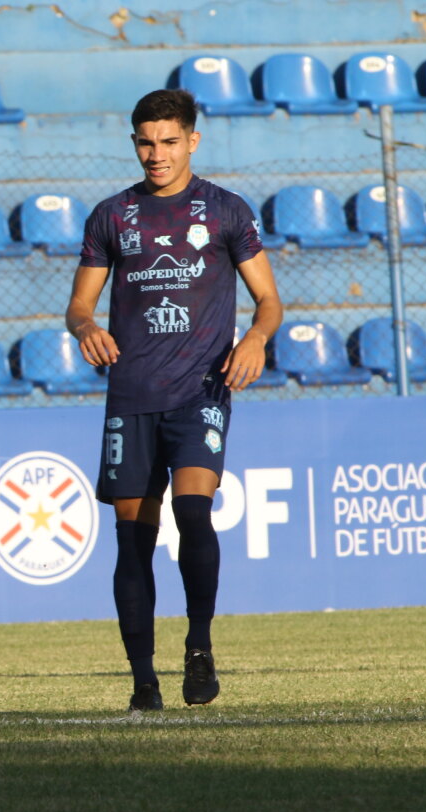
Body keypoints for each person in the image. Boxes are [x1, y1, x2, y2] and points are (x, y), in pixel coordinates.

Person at [64, 89, 283, 712]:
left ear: (192, 140)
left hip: (201, 391)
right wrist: (86, 329)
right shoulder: (112, 215)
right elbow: (79, 306)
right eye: (144, 141)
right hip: (131, 396)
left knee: (193, 513)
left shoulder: (225, 211)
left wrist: (257, 341)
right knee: (132, 538)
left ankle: (199, 646)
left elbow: (269, 301)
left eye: (167, 141)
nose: (155, 153)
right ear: (134, 143)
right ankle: (142, 682)